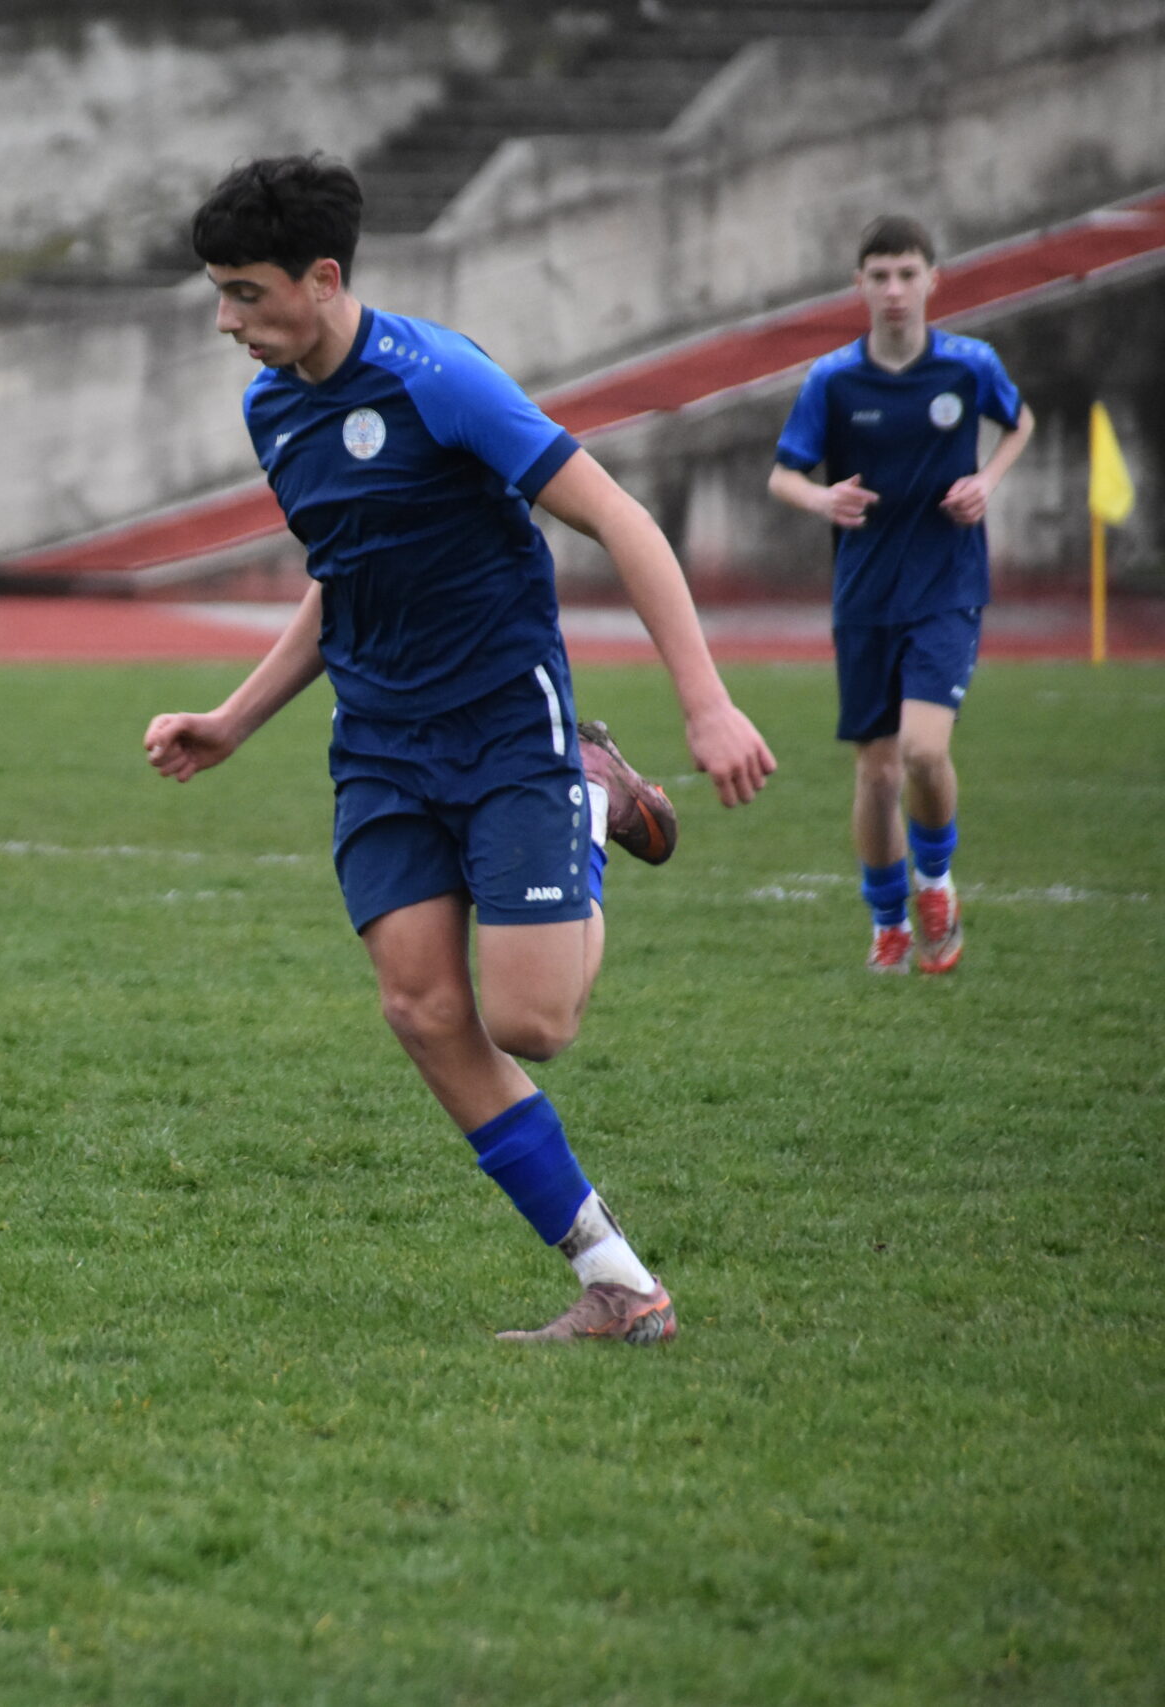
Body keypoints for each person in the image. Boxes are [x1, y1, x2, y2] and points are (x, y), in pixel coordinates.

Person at [144, 155, 776, 1344]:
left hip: (504, 729)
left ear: (321, 278)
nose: (226, 321)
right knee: (422, 1008)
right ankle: (615, 1281)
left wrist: (706, 704)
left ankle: (591, 794)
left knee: (534, 1024)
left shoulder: (441, 380)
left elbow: (620, 518)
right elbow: (345, 577)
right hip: (380, 747)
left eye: (244, 293)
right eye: (219, 294)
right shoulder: (273, 409)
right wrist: (233, 719)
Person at [768, 214, 1033, 975]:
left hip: (948, 585)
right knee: (877, 772)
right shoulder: (832, 380)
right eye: (879, 276)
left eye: (907, 274)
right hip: (864, 594)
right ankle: (888, 923)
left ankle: (936, 882)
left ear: (932, 280)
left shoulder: (969, 366)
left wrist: (987, 480)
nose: (894, 290)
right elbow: (783, 474)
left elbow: (1019, 422)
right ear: (859, 284)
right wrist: (823, 499)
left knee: (922, 750)